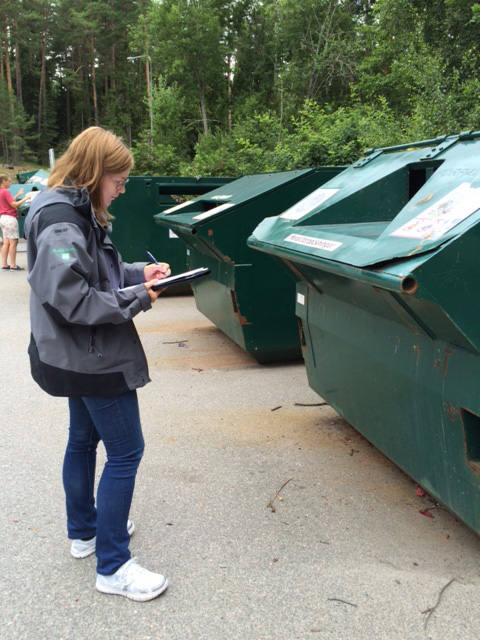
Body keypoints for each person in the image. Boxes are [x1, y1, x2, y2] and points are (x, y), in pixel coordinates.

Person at [24, 126, 171, 602]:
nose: (122, 189)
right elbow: (74, 299)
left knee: (84, 440)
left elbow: (96, 273)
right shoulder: (63, 221)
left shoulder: (73, 210)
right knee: (126, 452)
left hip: (72, 353)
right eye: (119, 180)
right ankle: (113, 565)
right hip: (90, 356)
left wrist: (136, 274)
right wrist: (138, 298)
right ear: (93, 173)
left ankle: (85, 532)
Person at [0, 173, 32, 270]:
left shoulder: (1, 192)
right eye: (9, 181)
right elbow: (14, 205)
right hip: (10, 219)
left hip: (3, 218)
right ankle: (13, 265)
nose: (10, 183)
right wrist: (26, 198)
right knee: (13, 242)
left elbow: (9, 202)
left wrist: (18, 195)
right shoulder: (6, 191)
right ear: (3, 181)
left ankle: (4, 265)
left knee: (6, 243)